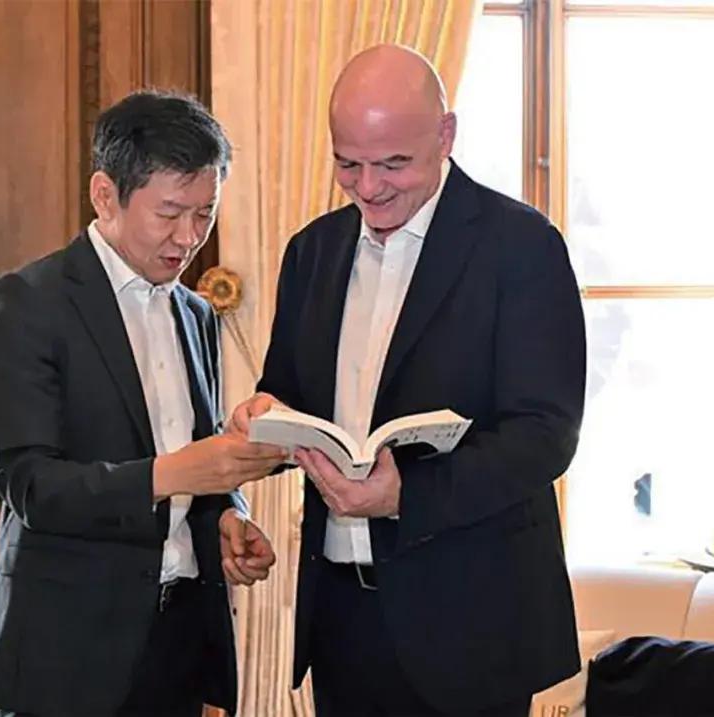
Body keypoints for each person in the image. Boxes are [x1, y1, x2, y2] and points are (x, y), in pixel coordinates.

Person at [230, 45, 587, 716]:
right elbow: (289, 391)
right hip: (339, 612)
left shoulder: (522, 246)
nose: (368, 187)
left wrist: (406, 495)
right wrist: (265, 416)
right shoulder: (312, 251)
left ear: (445, 135)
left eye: (393, 163)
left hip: (471, 621)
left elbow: (546, 435)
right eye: (347, 163)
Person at [0, 90, 286, 717]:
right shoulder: (26, 303)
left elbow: (191, 453)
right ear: (105, 195)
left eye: (205, 214)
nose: (188, 238)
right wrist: (175, 474)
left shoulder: (195, 313)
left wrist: (224, 514)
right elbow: (30, 485)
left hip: (178, 640)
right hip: (67, 651)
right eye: (169, 213)